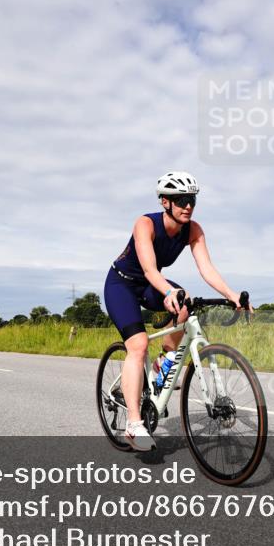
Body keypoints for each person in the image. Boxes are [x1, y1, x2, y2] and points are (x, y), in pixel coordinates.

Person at [103, 171, 249, 451]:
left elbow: (206, 268)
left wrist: (231, 295)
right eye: (180, 200)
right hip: (122, 284)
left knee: (187, 304)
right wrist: (168, 292)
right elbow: (148, 268)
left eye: (192, 199)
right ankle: (134, 424)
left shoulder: (193, 229)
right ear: (164, 202)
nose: (188, 206)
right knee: (138, 344)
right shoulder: (145, 224)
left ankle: (163, 363)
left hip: (149, 284)